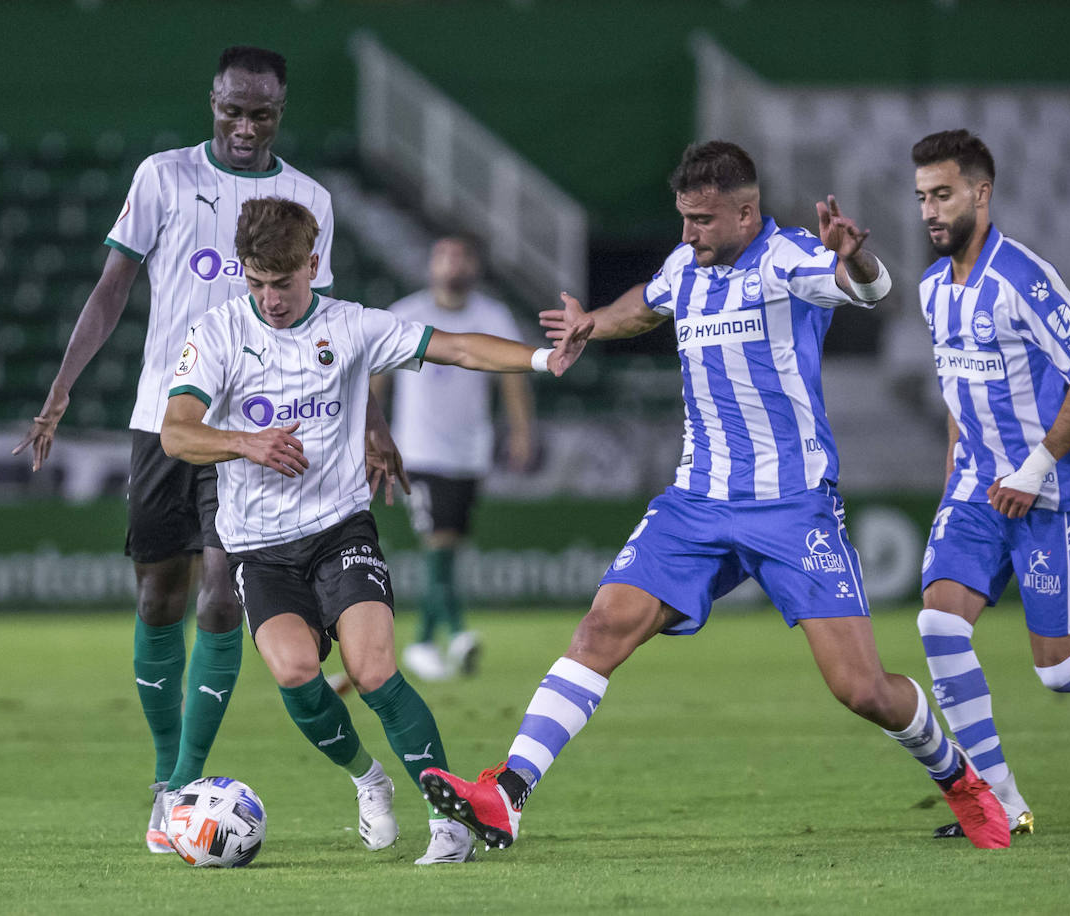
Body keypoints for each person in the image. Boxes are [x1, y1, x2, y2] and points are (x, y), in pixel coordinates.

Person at [418, 140, 1014, 852]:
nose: (687, 234)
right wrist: (593, 323)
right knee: (603, 628)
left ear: (744, 211)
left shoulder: (790, 258)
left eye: (701, 220)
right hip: (696, 500)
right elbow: (645, 305)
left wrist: (854, 256)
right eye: (683, 218)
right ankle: (506, 795)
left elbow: (869, 288)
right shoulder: (686, 266)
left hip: (792, 505)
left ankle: (961, 780)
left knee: (862, 689)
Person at [12, 46, 407, 854]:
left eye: (261, 113)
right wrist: (60, 394)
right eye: (232, 109)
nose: (245, 126)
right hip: (171, 419)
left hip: (263, 430)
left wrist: (368, 424)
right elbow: (111, 289)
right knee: (161, 596)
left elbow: (329, 330)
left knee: (222, 595)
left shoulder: (308, 199)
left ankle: (184, 782)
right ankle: (166, 773)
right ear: (213, 102)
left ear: (281, 113)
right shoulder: (161, 178)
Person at [159, 196, 591, 864]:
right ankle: (368, 780)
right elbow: (176, 430)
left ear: (313, 264)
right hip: (260, 548)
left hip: (340, 530)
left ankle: (448, 822)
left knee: (374, 669)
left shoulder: (352, 326)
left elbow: (457, 348)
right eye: (256, 283)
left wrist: (541, 360)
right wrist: (246, 443)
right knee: (298, 675)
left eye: (283, 282)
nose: (270, 298)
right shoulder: (215, 335)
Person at [909, 129, 1070, 840]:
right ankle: (998, 804)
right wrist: (951, 486)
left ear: (980, 193)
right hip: (974, 492)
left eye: (942, 195)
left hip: (1045, 493)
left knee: (1058, 671)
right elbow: (955, 399)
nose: (931, 211)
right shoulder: (933, 288)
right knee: (938, 623)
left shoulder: (1024, 279)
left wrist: (1033, 470)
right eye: (922, 199)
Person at [376, 236, 536, 681]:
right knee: (439, 541)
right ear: (431, 264)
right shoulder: (407, 314)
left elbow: (513, 380)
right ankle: (456, 631)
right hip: (419, 450)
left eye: (462, 255)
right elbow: (377, 379)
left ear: (475, 265)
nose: (453, 264)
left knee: (449, 548)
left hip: (470, 451)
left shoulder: (492, 315)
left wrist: (522, 431)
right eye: (444, 255)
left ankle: (425, 641)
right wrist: (372, 433)